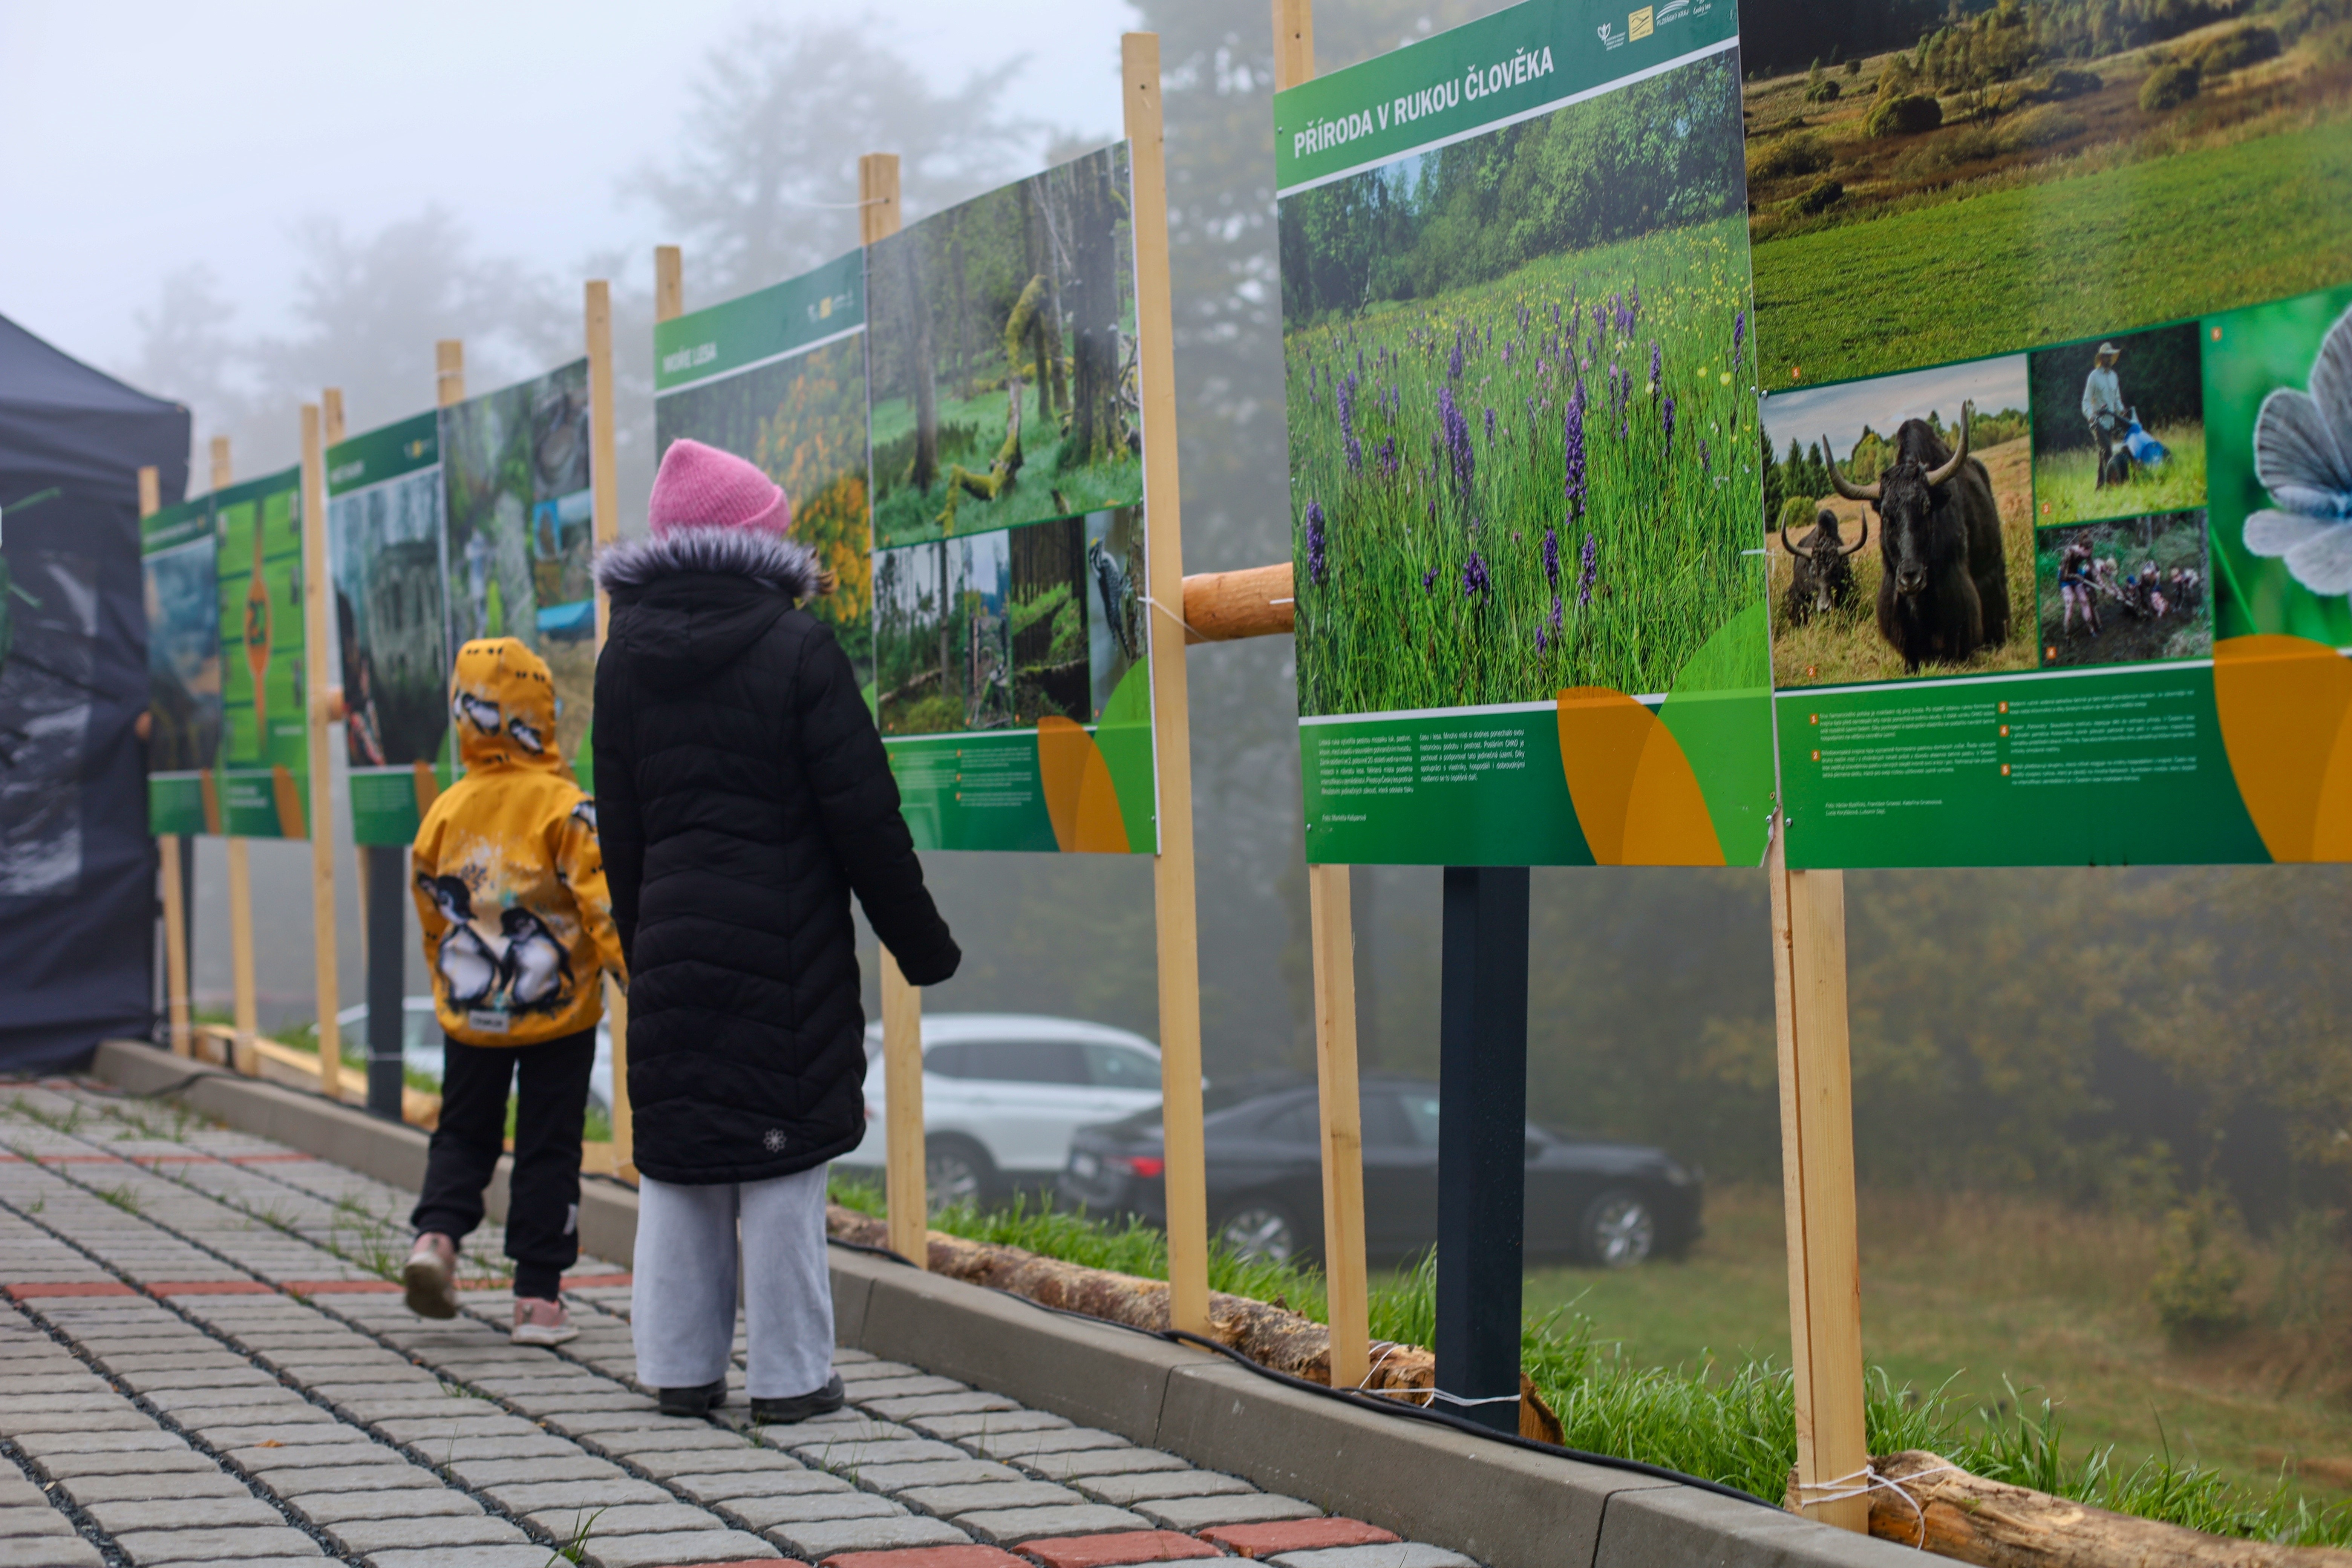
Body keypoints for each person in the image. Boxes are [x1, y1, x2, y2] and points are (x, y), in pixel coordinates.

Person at [592, 439, 960, 1426]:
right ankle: (793, 1379)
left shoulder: (623, 657)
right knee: (785, 1167)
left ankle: (678, 1370)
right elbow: (864, 819)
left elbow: (618, 830)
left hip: (672, 941)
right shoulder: (798, 649)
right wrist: (920, 944)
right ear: (753, 543)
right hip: (784, 950)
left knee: (681, 1164)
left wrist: (644, 943)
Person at [403, 637, 625, 1344]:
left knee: (463, 1131)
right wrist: (631, 971)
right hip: (557, 1015)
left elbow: (431, 907)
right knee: (548, 1147)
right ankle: (537, 1301)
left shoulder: (446, 809)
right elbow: (602, 904)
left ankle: (436, 1240)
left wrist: (450, 985)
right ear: (543, 713)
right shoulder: (567, 808)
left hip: (472, 1014)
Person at [2082, 342, 2127, 489]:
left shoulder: (2114, 377)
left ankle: (2100, 487)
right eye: (2107, 357)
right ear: (2101, 358)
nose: (2109, 359)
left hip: (2111, 421)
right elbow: (2086, 402)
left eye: (2111, 356)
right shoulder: (2094, 377)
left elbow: (2117, 400)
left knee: (2105, 453)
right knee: (2108, 449)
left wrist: (2123, 411)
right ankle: (2112, 485)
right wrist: (2091, 416)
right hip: (2098, 422)